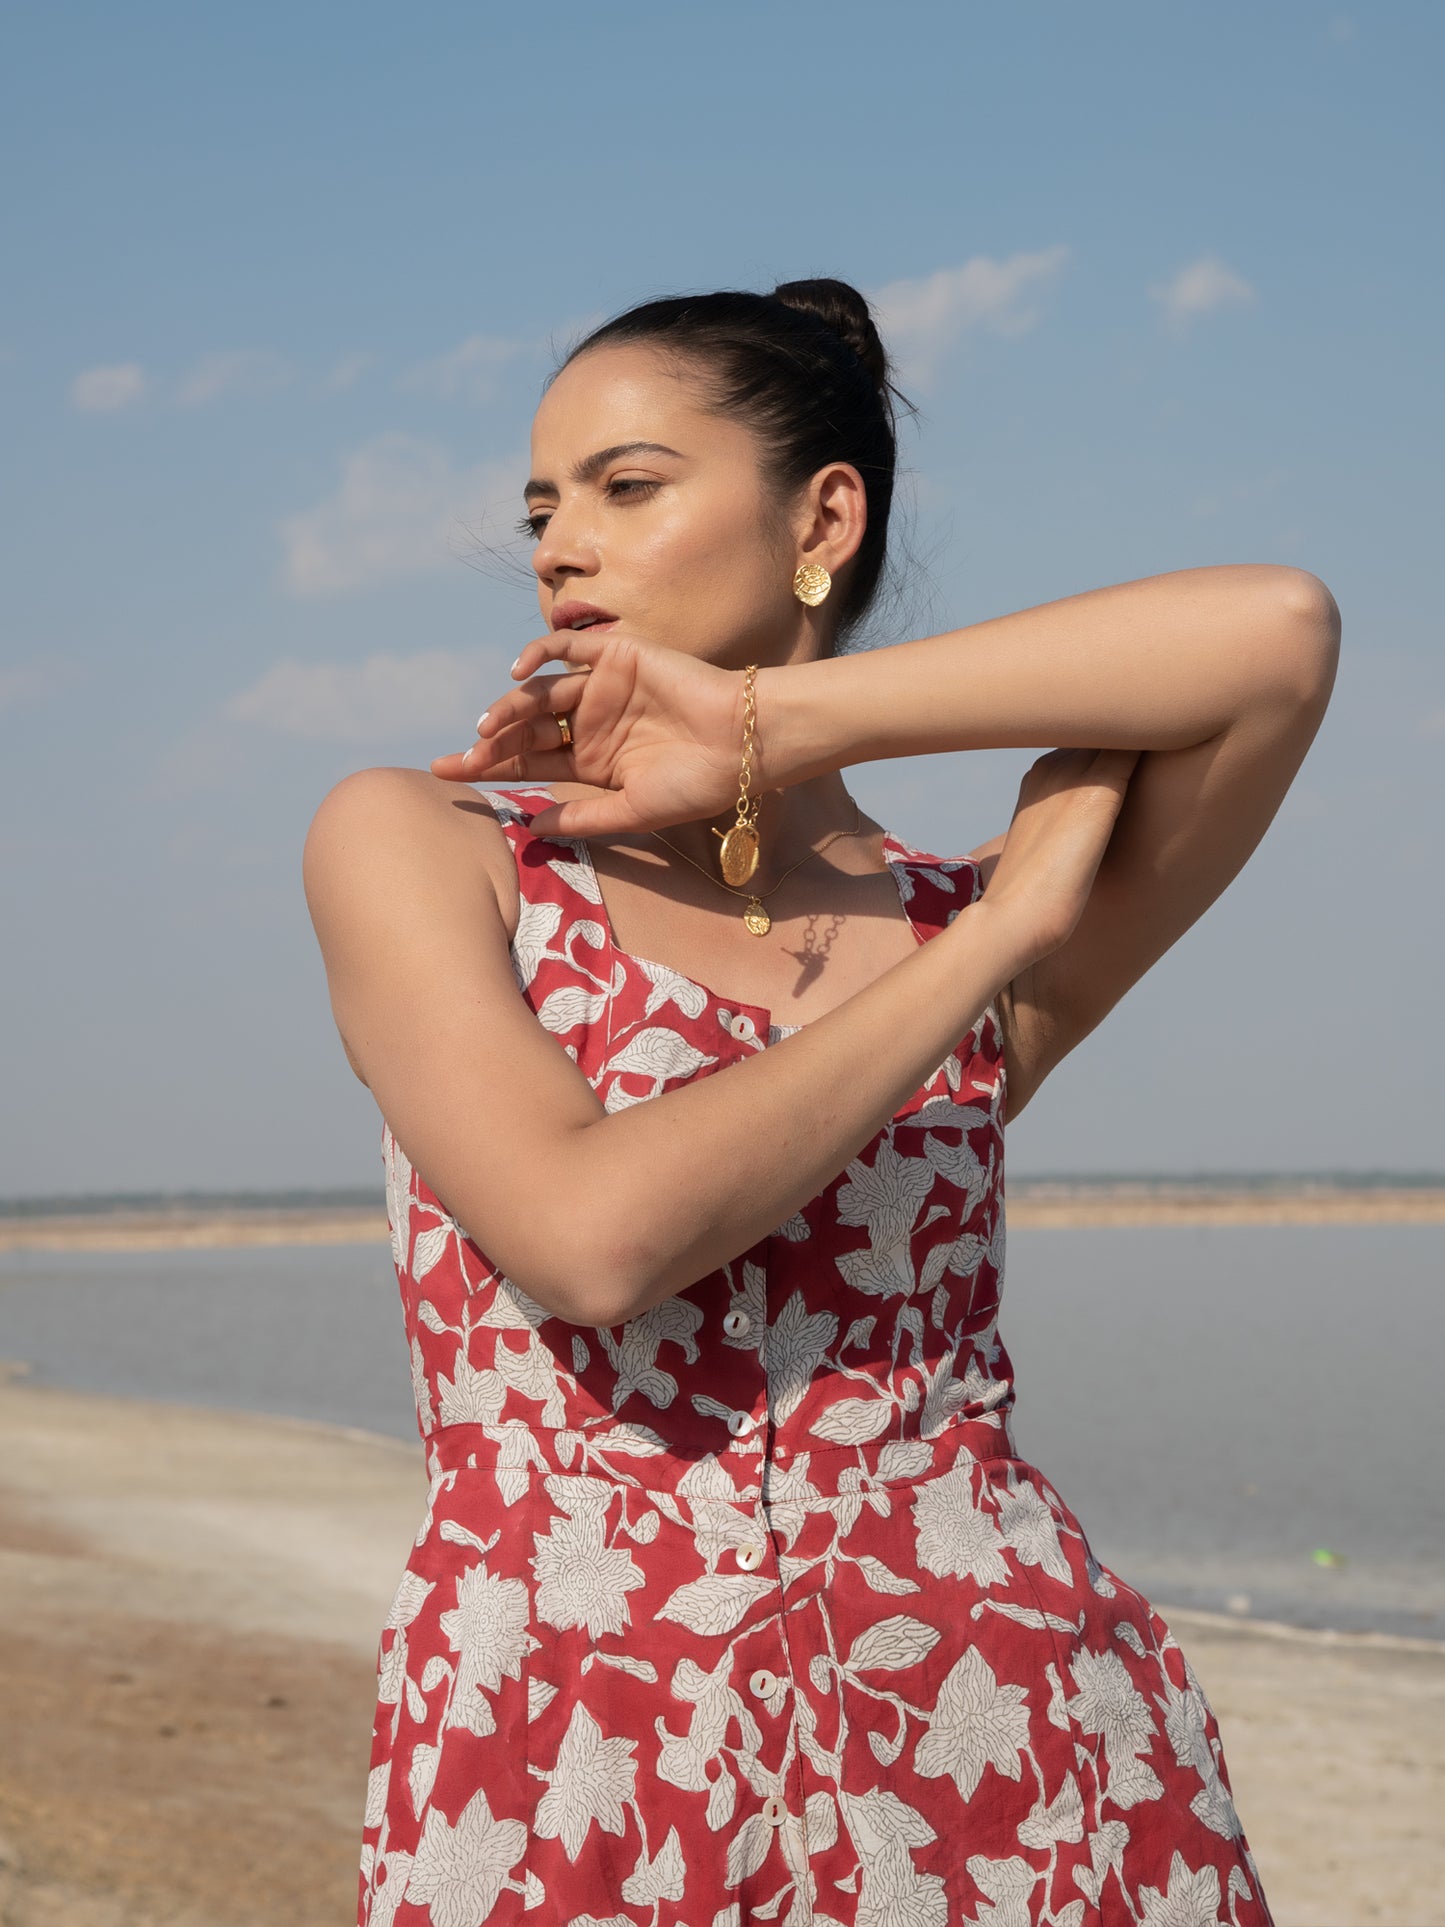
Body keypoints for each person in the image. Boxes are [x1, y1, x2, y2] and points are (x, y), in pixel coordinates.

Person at [304, 277, 1338, 1927]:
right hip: (576, 1755)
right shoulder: (432, 848)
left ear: (823, 516)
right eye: (541, 506)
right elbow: (590, 1238)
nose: (558, 543)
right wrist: (996, 939)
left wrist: (773, 726)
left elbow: (1273, 633)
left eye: (626, 487)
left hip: (1010, 1752)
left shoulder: (936, 908)